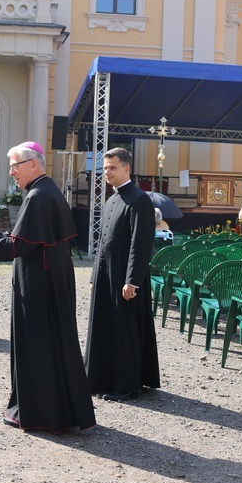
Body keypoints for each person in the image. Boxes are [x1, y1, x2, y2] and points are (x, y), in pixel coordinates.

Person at [0, 141, 96, 432]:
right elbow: (30, 238)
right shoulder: (46, 191)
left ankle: (40, 414)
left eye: (15, 167)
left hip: (39, 286)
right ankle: (60, 412)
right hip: (50, 281)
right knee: (54, 347)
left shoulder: (38, 197)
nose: (12, 173)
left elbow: (22, 246)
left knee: (38, 348)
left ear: (33, 164)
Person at [84, 148, 160, 401]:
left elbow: (141, 243)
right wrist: (95, 277)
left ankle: (127, 384)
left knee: (124, 330)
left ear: (126, 168)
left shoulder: (139, 199)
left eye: (112, 168)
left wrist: (132, 281)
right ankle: (102, 379)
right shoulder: (111, 199)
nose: (107, 172)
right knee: (107, 328)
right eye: (105, 168)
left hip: (126, 278)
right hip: (107, 275)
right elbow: (102, 243)